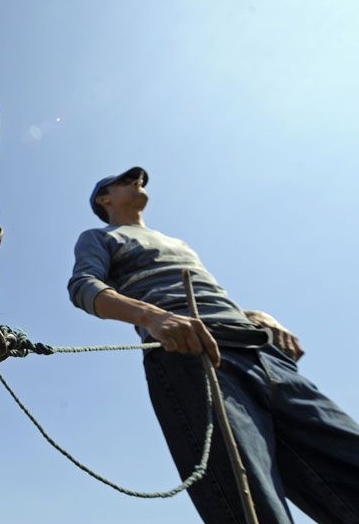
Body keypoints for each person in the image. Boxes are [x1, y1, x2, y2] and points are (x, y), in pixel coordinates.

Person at [68, 166, 359, 523]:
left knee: (348, 458)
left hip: (263, 353)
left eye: (140, 179)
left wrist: (257, 313)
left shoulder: (180, 244)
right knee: (252, 501)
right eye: (126, 180)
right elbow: (83, 287)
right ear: (104, 198)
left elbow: (210, 296)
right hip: (192, 353)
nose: (137, 182)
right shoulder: (100, 236)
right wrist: (152, 317)